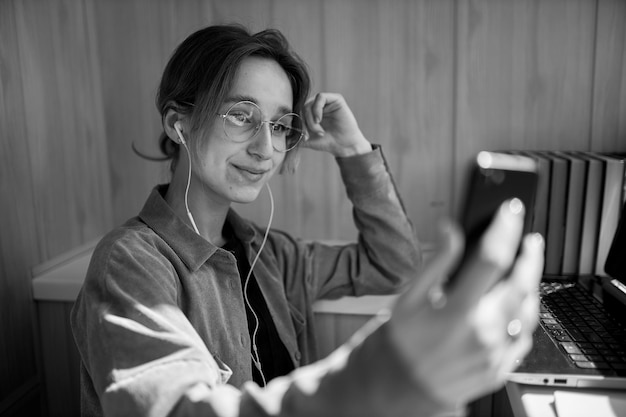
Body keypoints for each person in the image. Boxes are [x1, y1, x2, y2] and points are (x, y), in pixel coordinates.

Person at [70, 24, 545, 417]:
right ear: (179, 124)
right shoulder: (130, 263)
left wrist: (353, 151)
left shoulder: (272, 256)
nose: (265, 148)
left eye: (279, 126)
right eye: (241, 114)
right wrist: (385, 376)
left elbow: (393, 264)